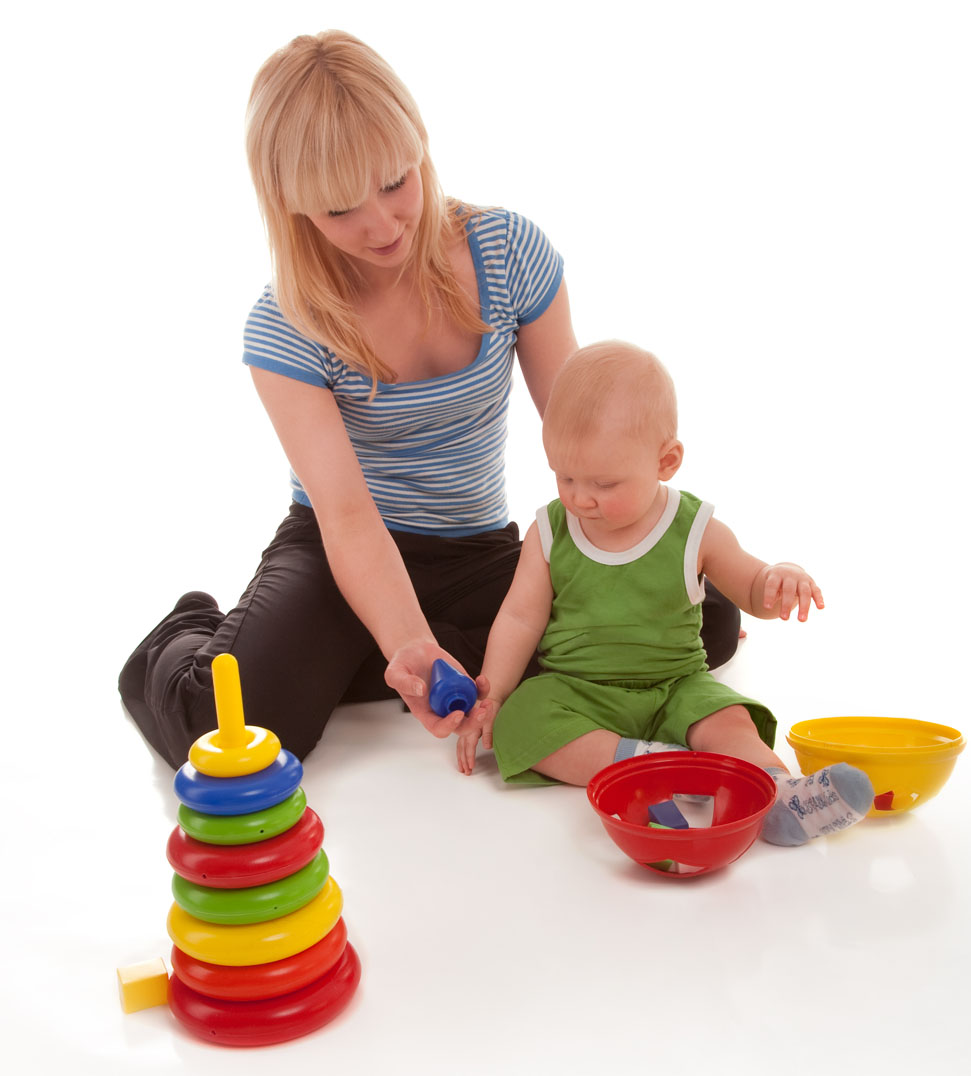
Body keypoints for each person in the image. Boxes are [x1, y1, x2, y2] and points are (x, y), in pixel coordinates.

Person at [118, 31, 741, 770]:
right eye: (340, 209)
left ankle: (358, 648)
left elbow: (580, 435)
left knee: (705, 620)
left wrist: (640, 540)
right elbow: (346, 515)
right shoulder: (285, 324)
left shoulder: (509, 254)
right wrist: (407, 639)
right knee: (230, 729)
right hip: (335, 550)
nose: (381, 225)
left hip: (474, 550)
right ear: (292, 205)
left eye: (394, 182)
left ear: (419, 143)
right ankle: (193, 634)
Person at [456, 341, 873, 845]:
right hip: (577, 691)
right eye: (564, 476)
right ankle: (655, 766)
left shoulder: (694, 527)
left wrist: (779, 579)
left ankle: (781, 794)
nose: (579, 497)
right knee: (522, 721)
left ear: (666, 461)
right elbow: (521, 618)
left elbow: (751, 587)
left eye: (604, 483)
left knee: (728, 719)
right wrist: (494, 693)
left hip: (677, 687)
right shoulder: (550, 530)